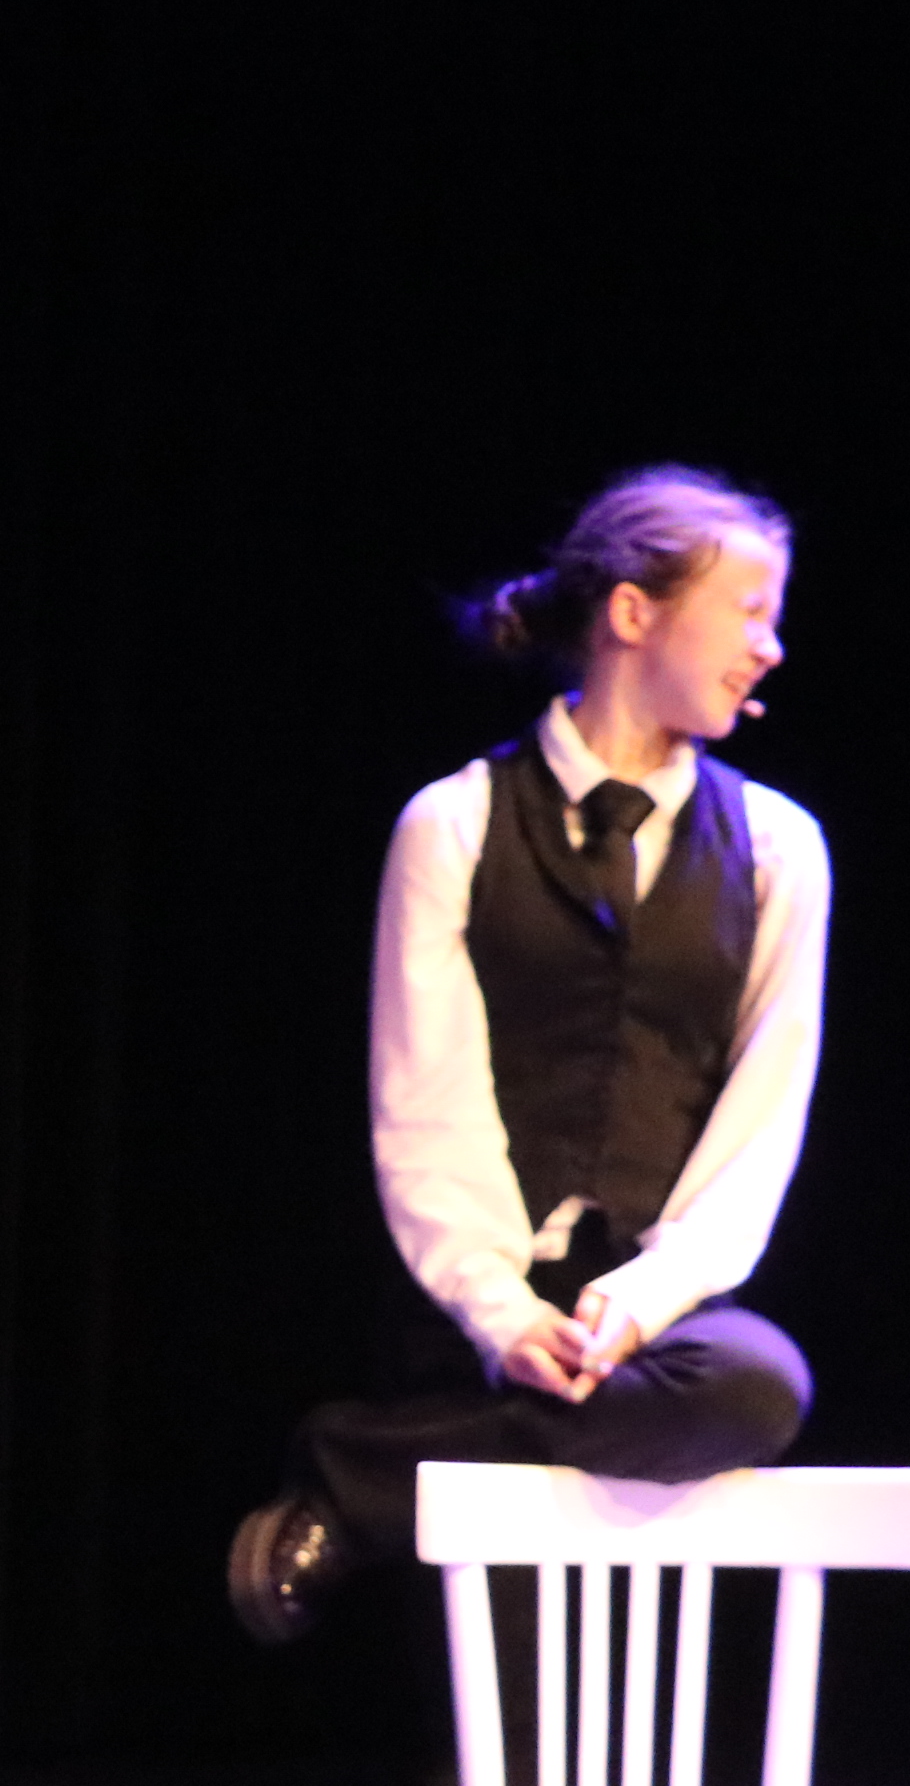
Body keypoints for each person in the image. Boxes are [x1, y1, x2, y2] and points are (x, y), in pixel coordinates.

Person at [231, 467, 824, 1643]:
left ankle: (359, 1479)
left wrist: (637, 1304)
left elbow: (762, 1127)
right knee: (499, 1692)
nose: (770, 648)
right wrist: (502, 1312)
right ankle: (443, 1449)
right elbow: (426, 1105)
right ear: (634, 612)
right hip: (476, 1302)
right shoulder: (453, 823)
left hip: (659, 1329)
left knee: (756, 1386)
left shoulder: (777, 849)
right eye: (750, 612)